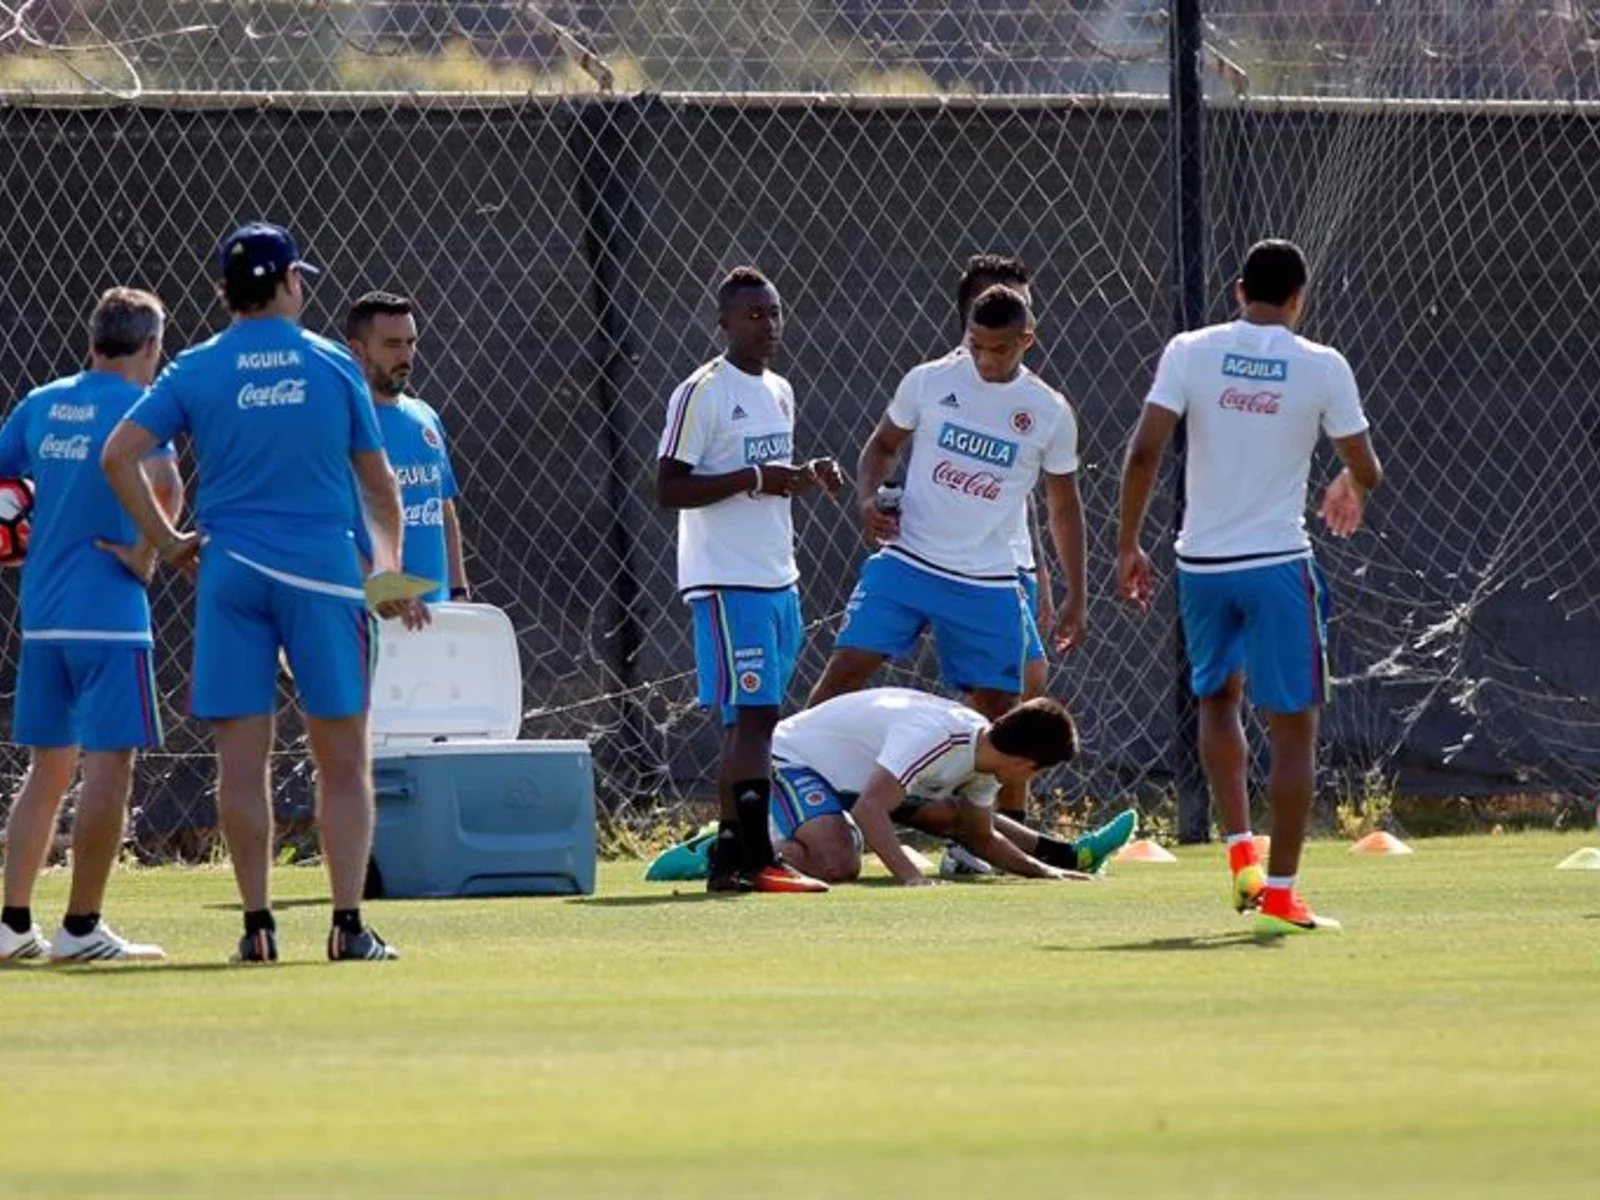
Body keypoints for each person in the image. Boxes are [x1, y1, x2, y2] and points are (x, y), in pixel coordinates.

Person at [102, 222, 424, 963]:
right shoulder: (332, 363)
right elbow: (380, 488)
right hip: (322, 577)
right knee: (342, 758)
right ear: (288, 282)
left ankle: (258, 928)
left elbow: (119, 456)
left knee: (241, 764)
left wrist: (167, 541)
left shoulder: (195, 367)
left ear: (227, 290)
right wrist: (387, 572)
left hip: (231, 576)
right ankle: (347, 927)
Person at [1115, 238, 1382, 936]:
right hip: (1275, 564)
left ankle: (1241, 854)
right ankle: (1282, 895)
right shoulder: (1322, 364)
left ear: (1238, 291)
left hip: (1201, 564)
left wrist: (1128, 544)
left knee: (1216, 698)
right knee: (1294, 728)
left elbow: (1143, 452)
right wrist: (1349, 482)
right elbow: (1368, 466)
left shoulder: (1189, 350)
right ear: (1298, 299)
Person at [807, 285, 1087, 822]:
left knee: (1000, 714)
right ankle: (787, 801)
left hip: (986, 580)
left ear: (1027, 340)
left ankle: (990, 838)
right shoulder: (930, 380)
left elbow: (1063, 505)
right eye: (975, 344)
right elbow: (882, 446)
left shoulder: (1048, 411)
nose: (985, 359)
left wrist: (1077, 591)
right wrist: (868, 499)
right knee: (842, 675)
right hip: (908, 561)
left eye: (999, 349)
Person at [0, 289, 183, 962]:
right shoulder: (143, 407)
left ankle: (12, 925)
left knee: (46, 767)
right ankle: (80, 929)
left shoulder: (43, 402)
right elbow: (167, 484)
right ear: (151, 346)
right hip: (109, 613)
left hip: (44, 612)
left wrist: (19, 535)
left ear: (93, 340)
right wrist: (146, 553)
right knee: (110, 762)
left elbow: (4, 481)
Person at [656, 266, 841, 894]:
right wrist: (754, 478)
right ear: (724, 322)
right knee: (758, 718)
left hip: (776, 576)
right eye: (754, 314)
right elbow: (669, 487)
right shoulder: (702, 391)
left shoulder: (780, 390)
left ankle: (730, 858)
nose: (768, 325)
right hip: (727, 580)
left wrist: (804, 475)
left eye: (774, 312)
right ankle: (761, 857)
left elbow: (767, 477)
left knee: (750, 723)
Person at [766, 688, 1136, 886]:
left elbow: (980, 836)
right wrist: (912, 878)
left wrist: (1045, 872)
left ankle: (1066, 855)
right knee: (837, 865)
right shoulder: (936, 739)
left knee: (952, 817)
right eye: (1038, 773)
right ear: (1026, 763)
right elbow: (869, 808)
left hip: (851, 780)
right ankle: (738, 850)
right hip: (790, 758)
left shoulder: (986, 759)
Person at [344, 291, 469, 603]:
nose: (406, 355)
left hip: (438, 613)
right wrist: (382, 591)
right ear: (357, 350)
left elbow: (443, 509)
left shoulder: (425, 417)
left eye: (411, 342)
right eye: (392, 344)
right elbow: (329, 527)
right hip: (372, 610)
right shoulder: (339, 425)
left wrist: (458, 590)